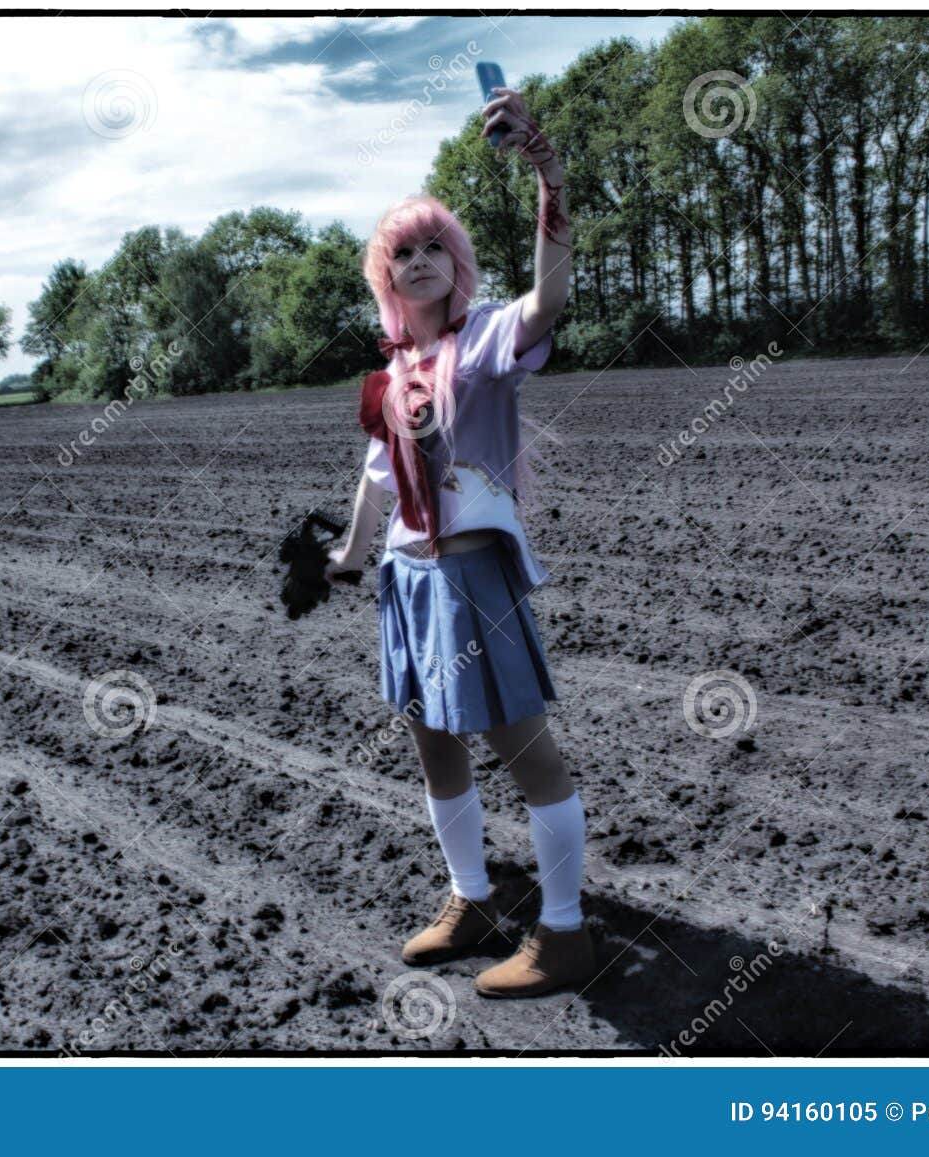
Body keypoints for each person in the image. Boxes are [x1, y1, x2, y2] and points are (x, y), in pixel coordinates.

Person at [324, 85, 590, 999]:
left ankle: (563, 932)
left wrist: (548, 174)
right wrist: (348, 560)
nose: (423, 258)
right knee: (433, 739)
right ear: (386, 278)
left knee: (524, 748)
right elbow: (373, 480)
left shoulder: (484, 342)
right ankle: (473, 896)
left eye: (437, 244)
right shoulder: (387, 375)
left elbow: (550, 298)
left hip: (476, 574)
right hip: (408, 577)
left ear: (459, 263)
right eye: (404, 252)